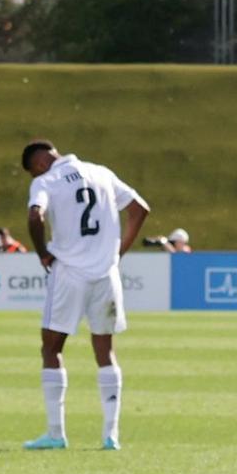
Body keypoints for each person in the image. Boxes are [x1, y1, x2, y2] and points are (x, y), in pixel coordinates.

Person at [19, 141, 151, 451]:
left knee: (51, 348)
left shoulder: (45, 181)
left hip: (69, 273)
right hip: (106, 274)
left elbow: (34, 216)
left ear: (36, 165)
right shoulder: (101, 172)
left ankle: (55, 433)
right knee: (105, 351)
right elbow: (140, 210)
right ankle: (111, 435)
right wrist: (118, 254)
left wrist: (42, 254)